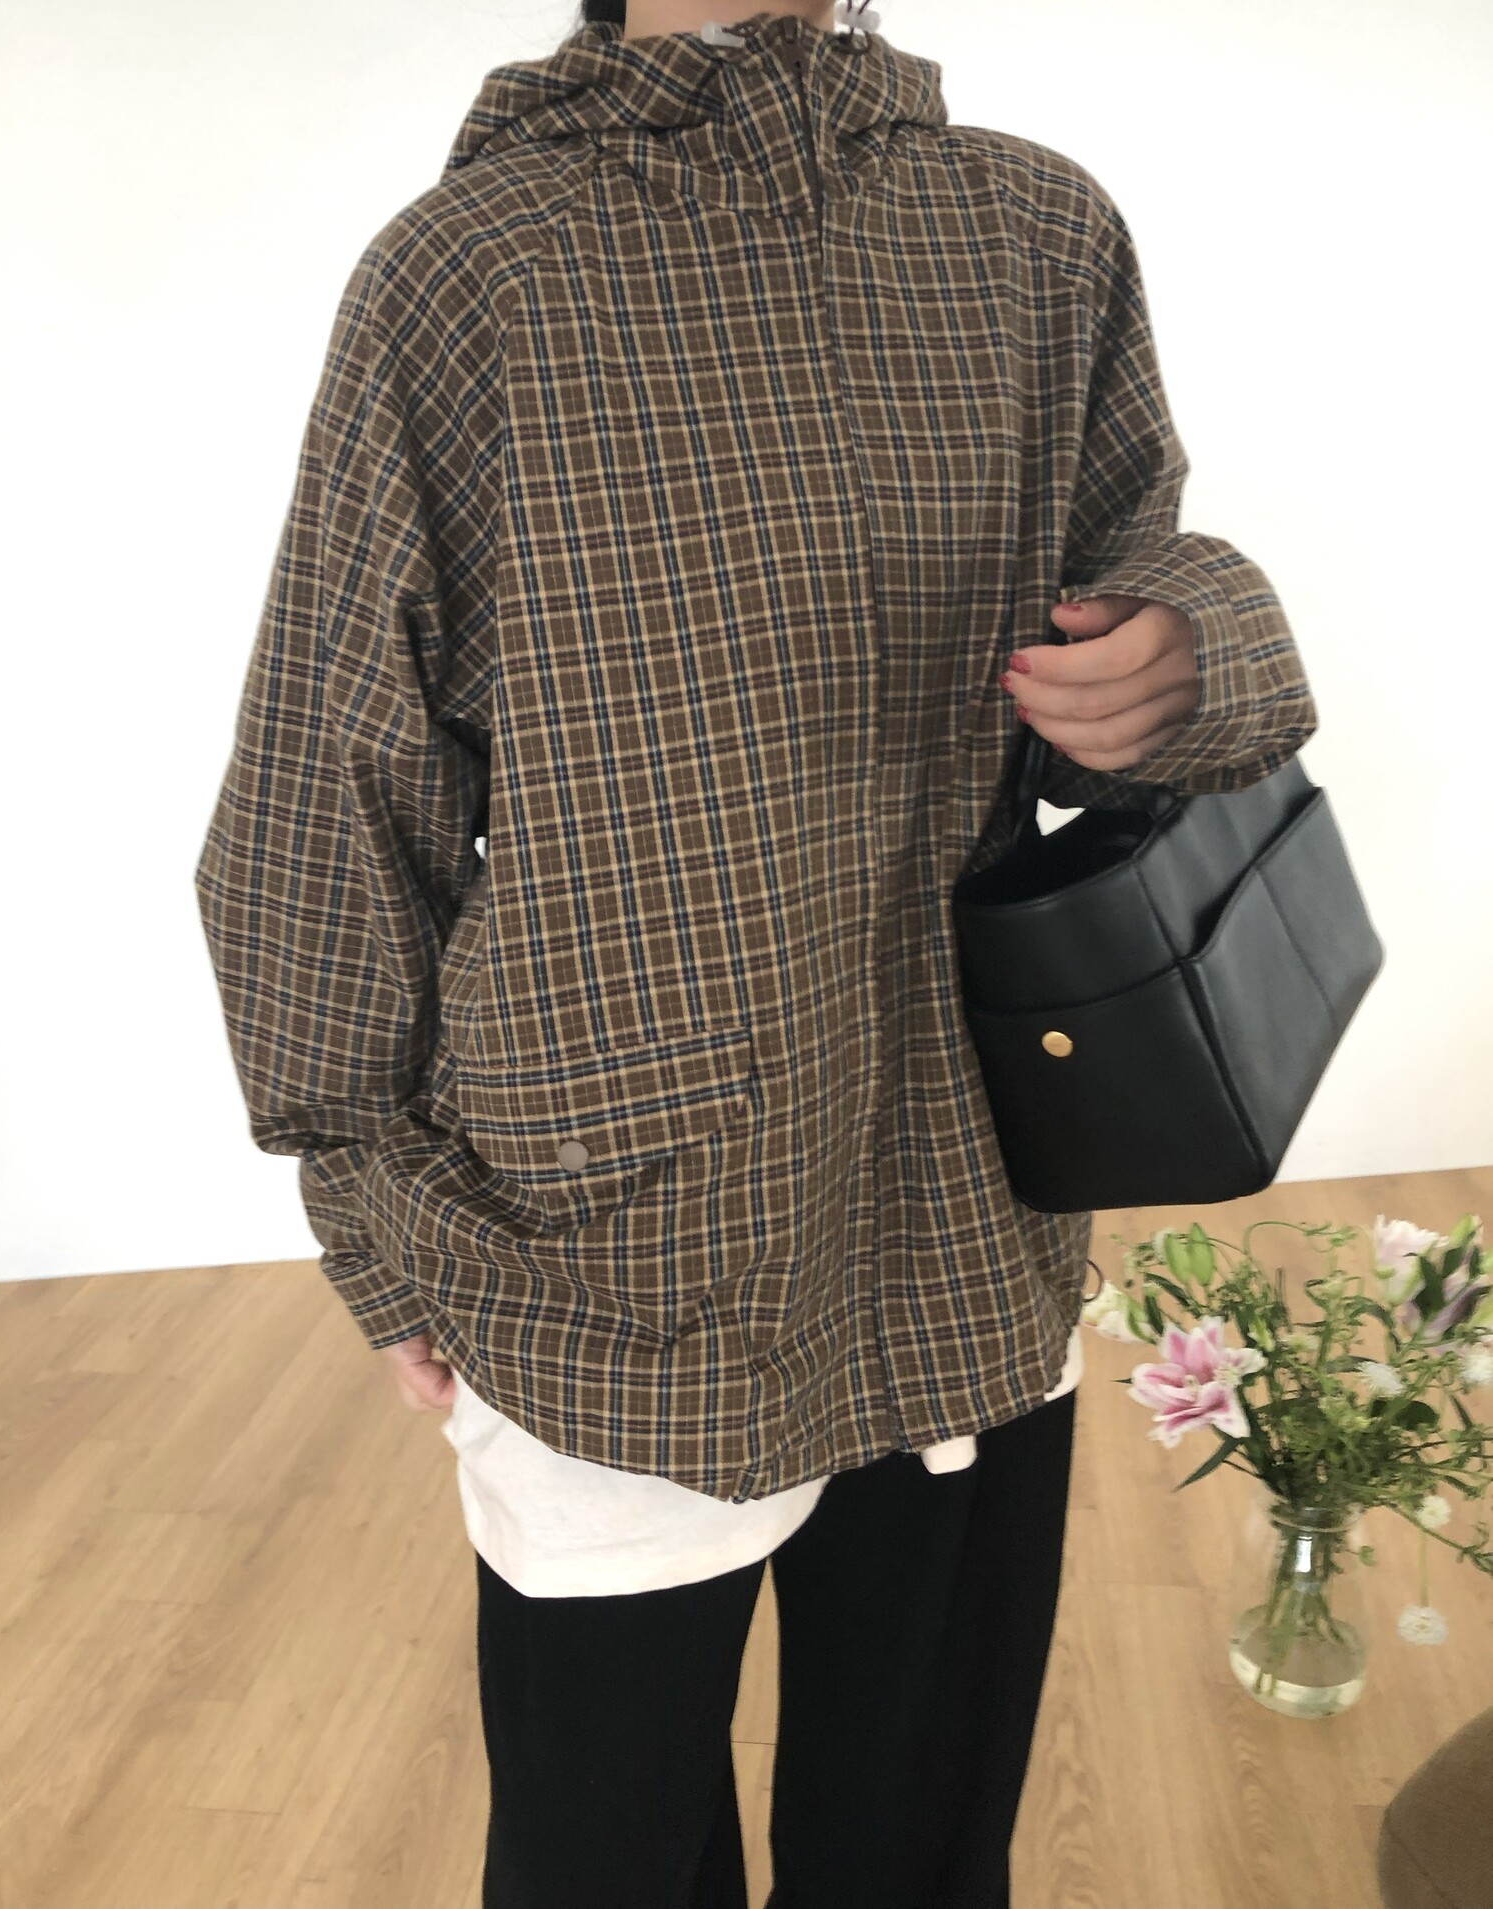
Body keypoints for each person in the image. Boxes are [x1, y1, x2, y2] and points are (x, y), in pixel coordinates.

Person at [193, 1, 1319, 1903]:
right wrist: (368, 1203)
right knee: (605, 1851)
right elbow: (331, 782)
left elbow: (1133, 575)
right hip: (611, 1242)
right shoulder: (476, 270)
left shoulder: (1035, 229)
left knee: (922, 1840)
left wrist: (1192, 648)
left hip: (966, 1201)